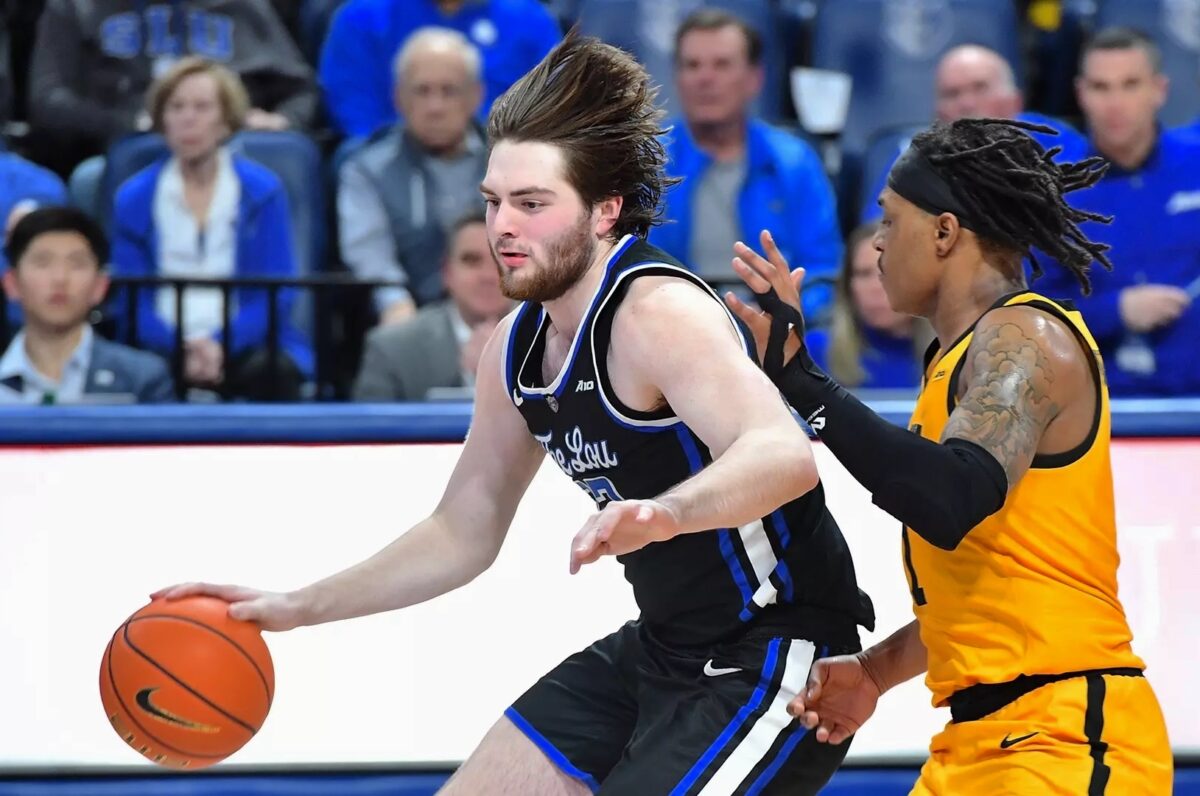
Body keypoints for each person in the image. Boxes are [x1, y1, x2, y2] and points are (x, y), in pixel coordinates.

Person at [155, 34, 874, 795]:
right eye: (493, 202)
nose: (501, 226)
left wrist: (666, 513)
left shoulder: (656, 313)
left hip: (776, 652)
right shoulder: (514, 346)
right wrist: (297, 606)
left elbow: (783, 455)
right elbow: (461, 531)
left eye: (531, 204)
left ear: (604, 211)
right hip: (663, 647)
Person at [724, 117, 1172, 794]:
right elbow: (986, 592)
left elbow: (949, 498)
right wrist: (875, 672)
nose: (877, 242)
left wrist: (804, 382)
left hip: (1065, 736)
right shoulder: (955, 362)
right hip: (979, 741)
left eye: (889, 219)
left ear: (943, 232)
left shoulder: (1026, 338)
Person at [109, 57, 312, 400]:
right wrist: (182, 348)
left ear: (226, 120)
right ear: (162, 120)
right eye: (177, 107)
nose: (188, 119)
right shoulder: (133, 198)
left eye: (202, 107)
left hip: (246, 344)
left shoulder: (263, 192)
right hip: (160, 346)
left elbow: (276, 294)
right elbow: (132, 302)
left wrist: (219, 344)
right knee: (141, 374)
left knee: (273, 372)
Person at [1034, 27, 1200, 396]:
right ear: (1081, 94)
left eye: (1130, 85)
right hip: (1100, 405)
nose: (1115, 103)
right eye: (1101, 87)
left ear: (1159, 90)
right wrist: (1115, 311)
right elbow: (1034, 314)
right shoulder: (1053, 191)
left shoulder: (1196, 165)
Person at [649, 8, 841, 319]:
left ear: (754, 79)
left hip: (778, 327)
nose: (705, 78)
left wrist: (781, 320)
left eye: (722, 65)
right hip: (672, 324)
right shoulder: (648, 161)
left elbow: (823, 272)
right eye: (692, 65)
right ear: (677, 78)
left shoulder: (794, 161)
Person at [337, 27, 488, 323]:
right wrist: (395, 305)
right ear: (398, 98)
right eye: (422, 91)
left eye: (449, 91)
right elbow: (370, 255)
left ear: (475, 96)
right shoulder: (366, 170)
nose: (435, 107)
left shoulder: (509, 162)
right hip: (412, 315)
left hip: (503, 307)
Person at [860, 44, 1087, 223]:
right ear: (938, 114)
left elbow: (1089, 209)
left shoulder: (1057, 140)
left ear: (1015, 100)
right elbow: (878, 230)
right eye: (952, 94)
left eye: (980, 88)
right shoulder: (912, 159)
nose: (967, 104)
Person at [0, 207, 173, 404]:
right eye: (43, 263)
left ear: (100, 286)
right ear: (11, 283)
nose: (60, 278)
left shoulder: (141, 379)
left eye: (76, 264)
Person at [319, 0, 561, 138]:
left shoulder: (530, 20)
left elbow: (551, 101)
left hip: (504, 153)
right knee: (351, 156)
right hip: (392, 158)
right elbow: (354, 109)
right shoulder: (362, 18)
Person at [353, 211, 511, 401]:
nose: (488, 275)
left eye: (502, 259)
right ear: (446, 272)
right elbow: (369, 420)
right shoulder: (392, 349)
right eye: (472, 261)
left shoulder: (545, 342)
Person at [803, 222, 930, 392]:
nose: (875, 287)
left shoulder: (956, 358)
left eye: (890, 271)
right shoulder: (813, 354)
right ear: (848, 285)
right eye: (863, 274)